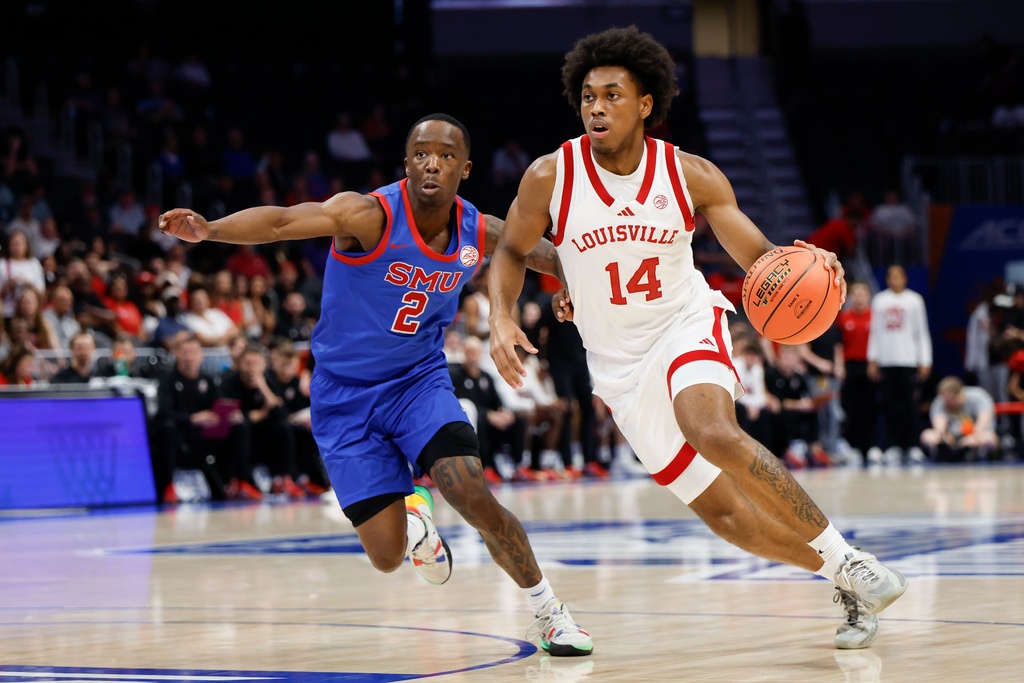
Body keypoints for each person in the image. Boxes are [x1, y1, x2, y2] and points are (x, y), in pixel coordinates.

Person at [486, 26, 906, 651]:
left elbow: (763, 261)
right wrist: (500, 313)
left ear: (646, 102)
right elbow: (514, 249)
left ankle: (848, 558)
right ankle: (840, 575)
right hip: (618, 368)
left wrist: (810, 265)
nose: (595, 107)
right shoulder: (551, 176)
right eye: (587, 97)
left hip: (685, 323)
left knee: (711, 429)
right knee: (726, 516)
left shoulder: (690, 175)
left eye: (611, 95)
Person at [159, 113, 593, 657]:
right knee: (387, 556)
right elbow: (282, 223)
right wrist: (212, 229)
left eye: (445, 155)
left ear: (465, 167)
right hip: (344, 396)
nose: (431, 163)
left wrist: (572, 284)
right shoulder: (366, 214)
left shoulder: (477, 228)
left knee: (468, 489)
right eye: (420, 154)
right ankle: (413, 516)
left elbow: (540, 251)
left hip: (418, 381)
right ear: (406, 163)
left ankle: (549, 612)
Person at [867, 265, 931, 465]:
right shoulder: (880, 301)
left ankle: (913, 446)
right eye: (891, 276)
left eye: (898, 276)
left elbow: (921, 332)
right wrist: (873, 359)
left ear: (905, 278)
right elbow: (875, 331)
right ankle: (892, 446)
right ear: (887, 279)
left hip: (908, 360)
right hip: (887, 360)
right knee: (890, 405)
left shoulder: (914, 300)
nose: (895, 280)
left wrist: (925, 360)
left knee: (910, 405)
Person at [919, 376, 997, 462]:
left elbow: (982, 423)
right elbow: (939, 427)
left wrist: (973, 438)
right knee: (927, 435)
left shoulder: (978, 397)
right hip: (952, 439)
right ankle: (938, 454)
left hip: (975, 436)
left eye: (951, 399)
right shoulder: (940, 401)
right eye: (945, 399)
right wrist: (944, 438)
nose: (947, 403)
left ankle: (978, 453)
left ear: (959, 394)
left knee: (989, 438)